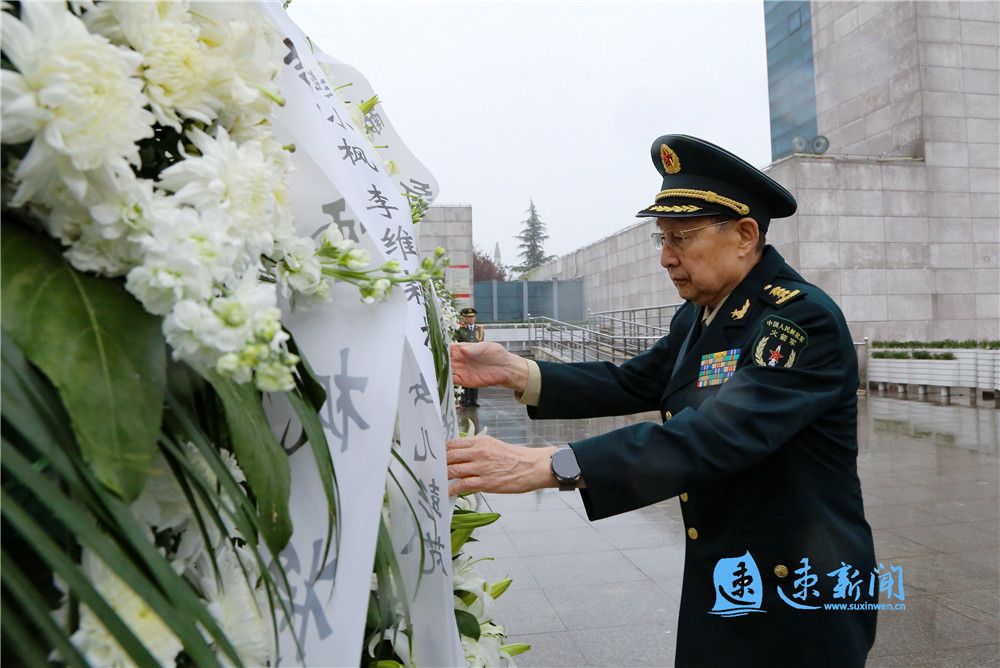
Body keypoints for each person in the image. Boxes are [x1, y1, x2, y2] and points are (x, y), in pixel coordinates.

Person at [446, 135, 878, 667]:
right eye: (662, 239)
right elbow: (635, 381)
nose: (666, 257)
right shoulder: (702, 311)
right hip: (729, 570)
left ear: (745, 235)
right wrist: (516, 371)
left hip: (799, 588)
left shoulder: (796, 321)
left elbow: (717, 434)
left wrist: (551, 464)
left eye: (681, 237)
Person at [454, 306, 485, 407]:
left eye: (472, 317)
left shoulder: (479, 329)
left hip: (475, 358)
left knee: (475, 380)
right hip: (464, 358)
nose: (471, 319)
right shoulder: (460, 329)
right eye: (468, 317)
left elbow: (480, 343)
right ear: (464, 318)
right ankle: (465, 400)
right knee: (465, 379)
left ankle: (473, 400)